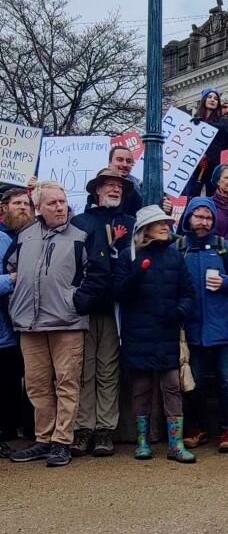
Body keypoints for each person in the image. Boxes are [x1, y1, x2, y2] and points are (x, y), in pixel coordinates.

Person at [7, 182, 108, 467]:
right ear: (39, 207)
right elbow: (10, 268)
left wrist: (75, 302)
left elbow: (98, 274)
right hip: (30, 323)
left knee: (66, 383)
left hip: (67, 322)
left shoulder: (81, 233)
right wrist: (18, 302)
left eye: (62, 201)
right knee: (37, 386)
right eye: (52, 203)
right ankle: (43, 438)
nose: (60, 207)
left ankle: (62, 441)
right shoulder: (25, 235)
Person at [114, 205, 196, 463]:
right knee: (141, 388)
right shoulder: (129, 255)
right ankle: (142, 442)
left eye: (167, 223)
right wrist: (137, 274)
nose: (166, 226)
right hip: (137, 334)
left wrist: (179, 311)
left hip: (167, 332)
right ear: (146, 228)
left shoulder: (175, 257)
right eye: (159, 223)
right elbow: (117, 294)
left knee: (172, 386)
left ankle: (176, 444)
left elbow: (188, 292)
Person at [69, 168, 135, 458]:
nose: (114, 188)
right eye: (109, 184)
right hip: (82, 311)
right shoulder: (79, 222)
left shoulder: (131, 223)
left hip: (113, 311)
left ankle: (105, 430)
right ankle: (83, 429)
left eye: (118, 185)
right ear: (97, 190)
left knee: (108, 370)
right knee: (84, 371)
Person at [176, 197, 228, 453]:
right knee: (196, 383)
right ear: (188, 218)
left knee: (227, 381)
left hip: (224, 327)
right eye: (198, 216)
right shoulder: (179, 248)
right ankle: (198, 426)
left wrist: (225, 283)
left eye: (208, 217)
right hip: (192, 328)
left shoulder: (225, 247)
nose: (203, 222)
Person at [0, 189, 34, 454]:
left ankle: (27, 428)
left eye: (27, 203)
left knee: (29, 377)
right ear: (4, 208)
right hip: (5, 323)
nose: (23, 207)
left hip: (29, 321)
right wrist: (12, 279)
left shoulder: (35, 235)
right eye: (17, 203)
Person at [184, 89, 228, 198]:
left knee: (212, 195)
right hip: (196, 166)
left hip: (213, 164)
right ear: (204, 100)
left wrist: (204, 124)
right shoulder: (195, 119)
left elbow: (224, 129)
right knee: (192, 195)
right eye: (209, 97)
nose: (212, 100)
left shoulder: (221, 119)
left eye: (215, 98)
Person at [105, 146, 143, 216]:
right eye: (120, 160)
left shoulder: (139, 188)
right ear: (109, 162)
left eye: (129, 161)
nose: (125, 164)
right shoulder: (99, 183)